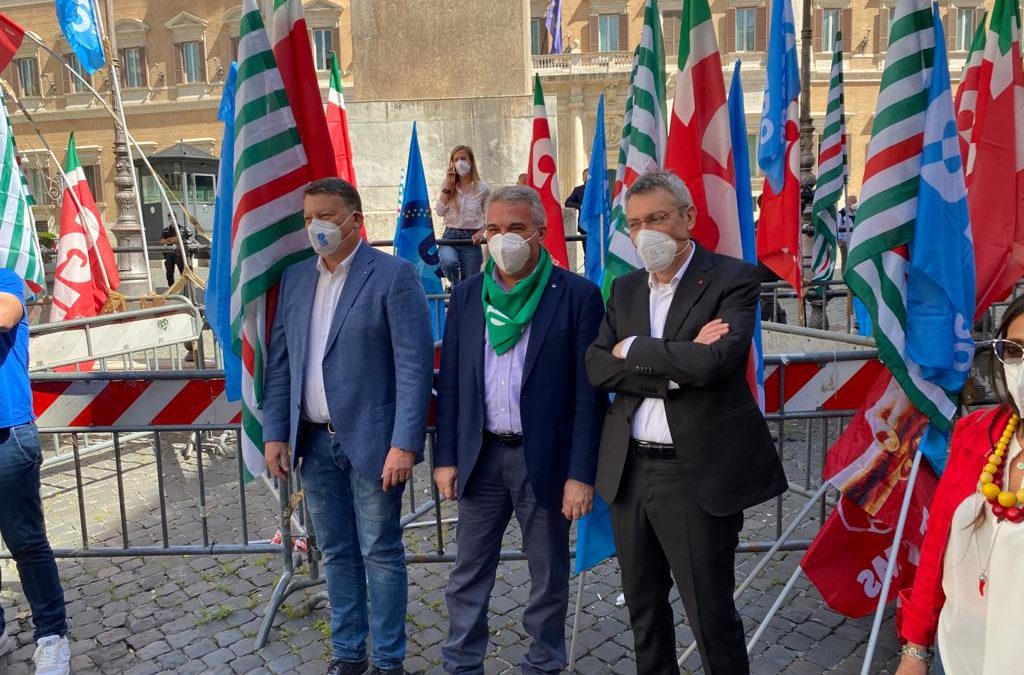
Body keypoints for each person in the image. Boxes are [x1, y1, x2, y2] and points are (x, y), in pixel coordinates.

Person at [586, 171, 787, 675]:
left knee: (710, 614)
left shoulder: (732, 277)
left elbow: (715, 362)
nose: (644, 231)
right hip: (630, 472)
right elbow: (595, 365)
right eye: (634, 223)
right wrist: (675, 367)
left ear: (688, 217)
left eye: (657, 217)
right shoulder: (626, 288)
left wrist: (633, 351)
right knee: (643, 611)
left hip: (695, 475)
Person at [262, 178, 435, 675]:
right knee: (336, 552)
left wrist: (404, 444)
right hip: (313, 443)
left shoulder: (393, 276)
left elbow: (413, 367)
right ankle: (348, 654)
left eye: (327, 215)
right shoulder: (296, 279)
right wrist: (277, 432)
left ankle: (387, 660)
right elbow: (282, 363)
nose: (317, 224)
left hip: (374, 443)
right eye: (309, 215)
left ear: (355, 219)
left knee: (380, 551)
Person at [435, 185, 607, 674]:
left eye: (515, 228)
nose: (503, 238)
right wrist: (446, 456)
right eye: (494, 229)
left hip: (546, 460)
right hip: (481, 456)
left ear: (541, 233)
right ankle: (461, 663)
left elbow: (587, 394)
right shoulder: (468, 296)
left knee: (548, 573)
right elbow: (451, 384)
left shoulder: (577, 296)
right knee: (467, 574)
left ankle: (543, 663)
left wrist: (581, 473)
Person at [895, 296, 1024, 675]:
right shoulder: (977, 434)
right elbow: (937, 543)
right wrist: (915, 650)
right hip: (959, 657)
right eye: (1014, 351)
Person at [0, 268, 72, 675]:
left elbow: (6, 314)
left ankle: (52, 635)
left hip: (7, 434)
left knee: (26, 544)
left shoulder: (5, 280)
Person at [436, 146, 489, 285]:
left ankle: (462, 297)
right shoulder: (449, 185)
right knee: (449, 263)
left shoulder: (483, 189)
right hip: (449, 236)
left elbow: (490, 217)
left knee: (471, 281)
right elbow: (439, 211)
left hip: (470, 239)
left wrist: (481, 232)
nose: (459, 162)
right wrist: (448, 185)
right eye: (456, 159)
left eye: (463, 158)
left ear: (471, 161)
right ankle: (457, 290)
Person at [159, 213, 196, 287]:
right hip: (169, 254)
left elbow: (180, 239)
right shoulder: (166, 230)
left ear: (176, 218)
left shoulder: (182, 229)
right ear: (168, 219)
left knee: (183, 271)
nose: (171, 220)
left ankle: (186, 289)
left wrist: (169, 239)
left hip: (179, 254)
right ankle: (171, 289)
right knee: (169, 273)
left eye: (173, 218)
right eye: (170, 218)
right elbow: (162, 241)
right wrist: (174, 240)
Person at [837, 195, 857, 274]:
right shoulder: (841, 214)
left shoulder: (857, 213)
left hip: (854, 240)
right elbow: (838, 228)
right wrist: (840, 240)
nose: (853, 204)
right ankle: (845, 278)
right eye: (851, 202)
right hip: (845, 240)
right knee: (845, 260)